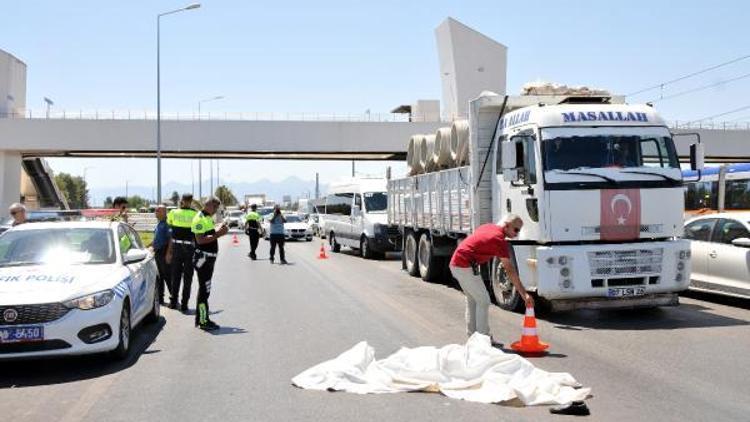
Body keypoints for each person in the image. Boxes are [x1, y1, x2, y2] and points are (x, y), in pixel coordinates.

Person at [449, 214, 533, 339]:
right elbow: (510, 270)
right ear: (507, 225)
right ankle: (483, 339)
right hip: (464, 266)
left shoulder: (489, 227)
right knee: (483, 300)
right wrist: (524, 294)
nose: (517, 233)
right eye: (515, 230)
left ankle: (473, 337)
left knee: (473, 300)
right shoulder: (499, 240)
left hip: (458, 264)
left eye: (519, 230)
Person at [191, 196, 229, 331]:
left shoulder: (207, 218)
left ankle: (201, 318)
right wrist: (219, 234)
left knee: (204, 289)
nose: (215, 210)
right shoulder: (199, 219)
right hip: (203, 259)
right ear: (208, 206)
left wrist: (218, 229)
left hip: (208, 259)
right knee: (204, 290)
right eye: (215, 207)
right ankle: (203, 320)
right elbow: (200, 240)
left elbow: (209, 234)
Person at [167, 194, 198, 312]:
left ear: (182, 201)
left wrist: (169, 251)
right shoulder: (195, 214)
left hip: (177, 247)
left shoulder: (174, 213)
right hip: (190, 248)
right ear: (191, 201)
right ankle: (184, 304)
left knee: (176, 275)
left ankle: (174, 302)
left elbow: (170, 230)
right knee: (188, 277)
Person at [150, 204, 172, 305]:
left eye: (158, 210)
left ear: (164, 212)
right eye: (156, 210)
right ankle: (161, 298)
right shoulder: (159, 223)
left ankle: (174, 297)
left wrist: (168, 254)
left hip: (164, 252)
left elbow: (171, 239)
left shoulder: (167, 224)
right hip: (158, 252)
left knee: (167, 276)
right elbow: (156, 239)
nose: (156, 212)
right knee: (160, 277)